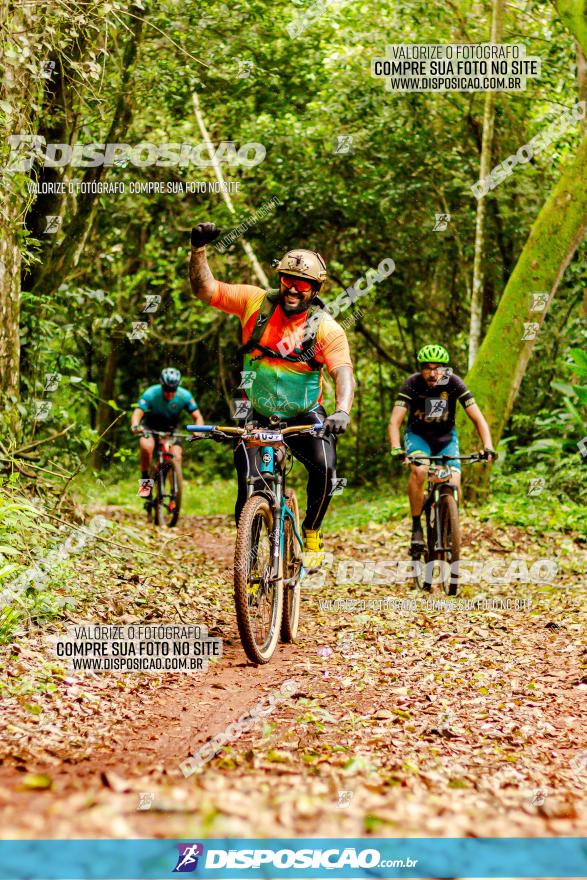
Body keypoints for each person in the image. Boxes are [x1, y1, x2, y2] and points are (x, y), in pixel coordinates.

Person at [188, 221, 355, 564]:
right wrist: (198, 250)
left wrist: (342, 410)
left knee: (325, 467)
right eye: (287, 281)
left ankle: (312, 531)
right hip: (256, 409)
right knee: (250, 481)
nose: (293, 290)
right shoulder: (255, 303)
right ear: (279, 280)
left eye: (303, 285)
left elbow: (343, 374)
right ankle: (247, 565)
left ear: (316, 288)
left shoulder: (326, 328)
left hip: (304, 413)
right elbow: (206, 289)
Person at [387, 344, 497, 549]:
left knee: (454, 481)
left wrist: (488, 446)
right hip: (418, 437)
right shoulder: (411, 384)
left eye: (437, 368)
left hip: (446, 439)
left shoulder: (454, 383)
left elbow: (478, 418)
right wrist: (396, 448)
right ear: (421, 369)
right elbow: (395, 421)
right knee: (419, 471)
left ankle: (450, 523)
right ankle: (416, 526)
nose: (432, 373)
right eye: (427, 368)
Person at [130, 368, 204, 497]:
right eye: (167, 390)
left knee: (177, 456)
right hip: (150, 427)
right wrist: (135, 425)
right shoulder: (151, 393)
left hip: (171, 430)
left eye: (173, 390)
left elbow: (197, 416)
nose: (170, 394)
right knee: (146, 447)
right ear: (161, 385)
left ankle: (173, 495)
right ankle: (145, 482)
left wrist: (198, 429)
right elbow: (138, 412)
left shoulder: (185, 395)